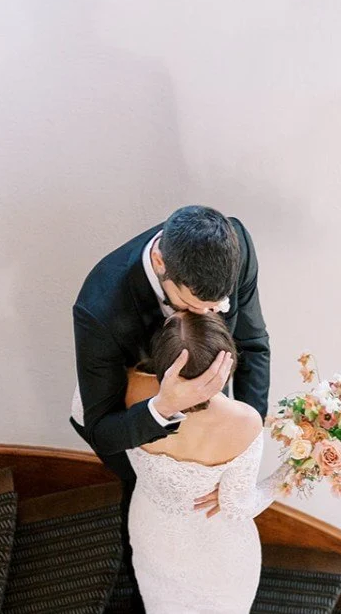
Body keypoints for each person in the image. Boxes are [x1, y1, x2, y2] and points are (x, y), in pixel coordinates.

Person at [23, 312, 280, 614]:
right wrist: (288, 476)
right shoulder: (244, 420)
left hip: (156, 532)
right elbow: (238, 503)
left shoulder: (131, 394)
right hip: (221, 549)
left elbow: (86, 417)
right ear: (225, 366)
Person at [70, 205, 270, 589]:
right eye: (191, 308)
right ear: (161, 262)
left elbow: (253, 344)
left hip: (212, 417)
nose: (211, 316)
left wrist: (247, 436)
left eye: (218, 307)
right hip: (133, 420)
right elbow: (102, 430)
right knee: (147, 503)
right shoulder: (99, 309)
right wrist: (164, 407)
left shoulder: (237, 245)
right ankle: (142, 591)